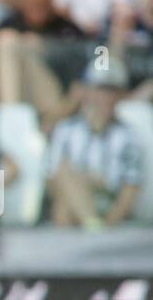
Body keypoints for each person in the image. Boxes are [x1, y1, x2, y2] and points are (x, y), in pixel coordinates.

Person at [47, 64, 143, 228]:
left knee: (65, 204)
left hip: (108, 203)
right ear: (87, 92)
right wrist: (84, 181)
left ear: (119, 96)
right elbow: (53, 181)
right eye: (99, 90)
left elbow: (130, 189)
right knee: (64, 196)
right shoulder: (66, 129)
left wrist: (111, 222)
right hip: (73, 198)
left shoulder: (129, 135)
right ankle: (92, 225)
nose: (105, 97)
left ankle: (93, 227)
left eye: (111, 91)